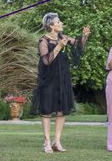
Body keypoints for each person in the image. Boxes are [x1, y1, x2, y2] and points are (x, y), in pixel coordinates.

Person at [32, 13, 89, 153]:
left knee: (61, 110)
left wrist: (85, 36)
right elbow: (46, 61)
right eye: (59, 21)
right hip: (48, 80)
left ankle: (56, 142)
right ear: (51, 25)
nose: (61, 23)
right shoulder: (43, 40)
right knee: (46, 110)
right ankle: (46, 142)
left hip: (62, 78)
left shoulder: (64, 37)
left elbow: (78, 46)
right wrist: (58, 47)